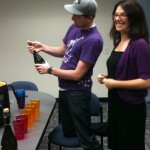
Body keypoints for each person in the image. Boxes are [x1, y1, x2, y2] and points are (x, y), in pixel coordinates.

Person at [27, 0, 103, 149]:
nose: (72, 18)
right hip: (64, 89)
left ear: (90, 17)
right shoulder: (74, 28)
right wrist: (43, 47)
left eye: (76, 15)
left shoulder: (93, 39)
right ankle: (94, 126)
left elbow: (77, 75)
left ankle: (98, 129)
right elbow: (63, 51)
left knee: (85, 140)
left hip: (78, 93)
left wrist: (50, 70)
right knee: (69, 131)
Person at [97, 0, 150, 150]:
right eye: (116, 15)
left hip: (131, 107)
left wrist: (115, 83)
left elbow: (147, 81)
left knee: (129, 145)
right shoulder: (118, 41)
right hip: (116, 104)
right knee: (117, 143)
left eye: (123, 15)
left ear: (134, 18)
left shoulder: (140, 44)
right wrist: (107, 77)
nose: (117, 18)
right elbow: (125, 71)